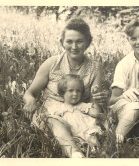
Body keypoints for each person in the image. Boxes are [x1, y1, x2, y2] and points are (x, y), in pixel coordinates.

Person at [23, 18, 108, 158]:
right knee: (55, 123)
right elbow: (30, 92)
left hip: (79, 113)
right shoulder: (52, 63)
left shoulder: (95, 68)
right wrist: (30, 101)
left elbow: (95, 109)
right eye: (69, 41)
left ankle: (92, 150)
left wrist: (99, 99)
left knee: (92, 130)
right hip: (52, 113)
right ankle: (75, 154)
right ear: (62, 42)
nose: (74, 46)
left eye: (79, 41)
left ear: (88, 43)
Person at [53, 74, 102, 157]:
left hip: (87, 130)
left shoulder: (83, 105)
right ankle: (79, 152)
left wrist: (96, 100)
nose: (75, 94)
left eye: (78, 91)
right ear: (62, 93)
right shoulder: (59, 108)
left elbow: (96, 113)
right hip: (72, 133)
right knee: (73, 141)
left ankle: (95, 152)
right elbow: (54, 121)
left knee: (93, 138)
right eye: (71, 90)